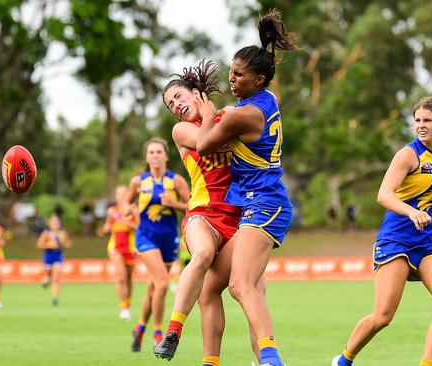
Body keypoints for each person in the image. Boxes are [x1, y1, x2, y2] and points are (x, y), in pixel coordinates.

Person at [331, 97, 432, 366]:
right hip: (395, 242)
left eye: (427, 121)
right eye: (417, 121)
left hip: (429, 245)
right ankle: (343, 360)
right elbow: (383, 195)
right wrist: (412, 212)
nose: (421, 126)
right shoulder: (407, 154)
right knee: (383, 317)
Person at [195, 10, 297, 366]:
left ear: (259, 78)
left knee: (241, 285)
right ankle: (223, 360)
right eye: (231, 71)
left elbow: (203, 146)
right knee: (212, 286)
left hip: (265, 205)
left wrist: (207, 117)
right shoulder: (266, 102)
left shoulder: (242, 115)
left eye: (238, 75)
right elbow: (232, 124)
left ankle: (271, 359)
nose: (231, 78)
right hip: (258, 205)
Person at [155, 59, 266, 365]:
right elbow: (207, 144)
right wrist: (210, 117)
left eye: (178, 97)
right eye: (170, 104)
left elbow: (253, 133)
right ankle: (174, 330)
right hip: (202, 214)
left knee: (253, 292)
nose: (175, 106)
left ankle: (265, 360)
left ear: (196, 92)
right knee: (202, 255)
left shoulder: (230, 115)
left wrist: (224, 116)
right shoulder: (181, 131)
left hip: (240, 218)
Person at [124, 137, 190, 352]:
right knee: (162, 283)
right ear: (146, 157)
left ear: (166, 156)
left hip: (168, 239)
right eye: (151, 152)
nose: (155, 156)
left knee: (154, 288)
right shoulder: (138, 182)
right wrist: (128, 211)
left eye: (159, 152)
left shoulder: (176, 181)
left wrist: (174, 204)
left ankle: (140, 328)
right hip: (146, 238)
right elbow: (126, 202)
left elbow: (192, 206)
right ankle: (158, 332)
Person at [101, 186, 139, 320]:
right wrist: (105, 229)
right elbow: (107, 225)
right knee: (121, 276)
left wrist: (129, 224)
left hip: (131, 248)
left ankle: (127, 305)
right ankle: (123, 307)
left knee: (128, 279)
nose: (122, 196)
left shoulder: (133, 210)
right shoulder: (112, 211)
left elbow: (140, 226)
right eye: (119, 194)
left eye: (124, 194)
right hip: (115, 247)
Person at [36, 214, 72, 306]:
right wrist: (50, 245)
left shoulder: (63, 233)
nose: (55, 224)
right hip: (48, 256)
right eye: (53, 222)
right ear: (50, 224)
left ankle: (55, 298)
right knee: (48, 277)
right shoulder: (46, 233)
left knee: (56, 278)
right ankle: (46, 280)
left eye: (57, 222)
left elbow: (69, 244)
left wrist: (63, 244)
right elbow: (39, 245)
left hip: (58, 256)